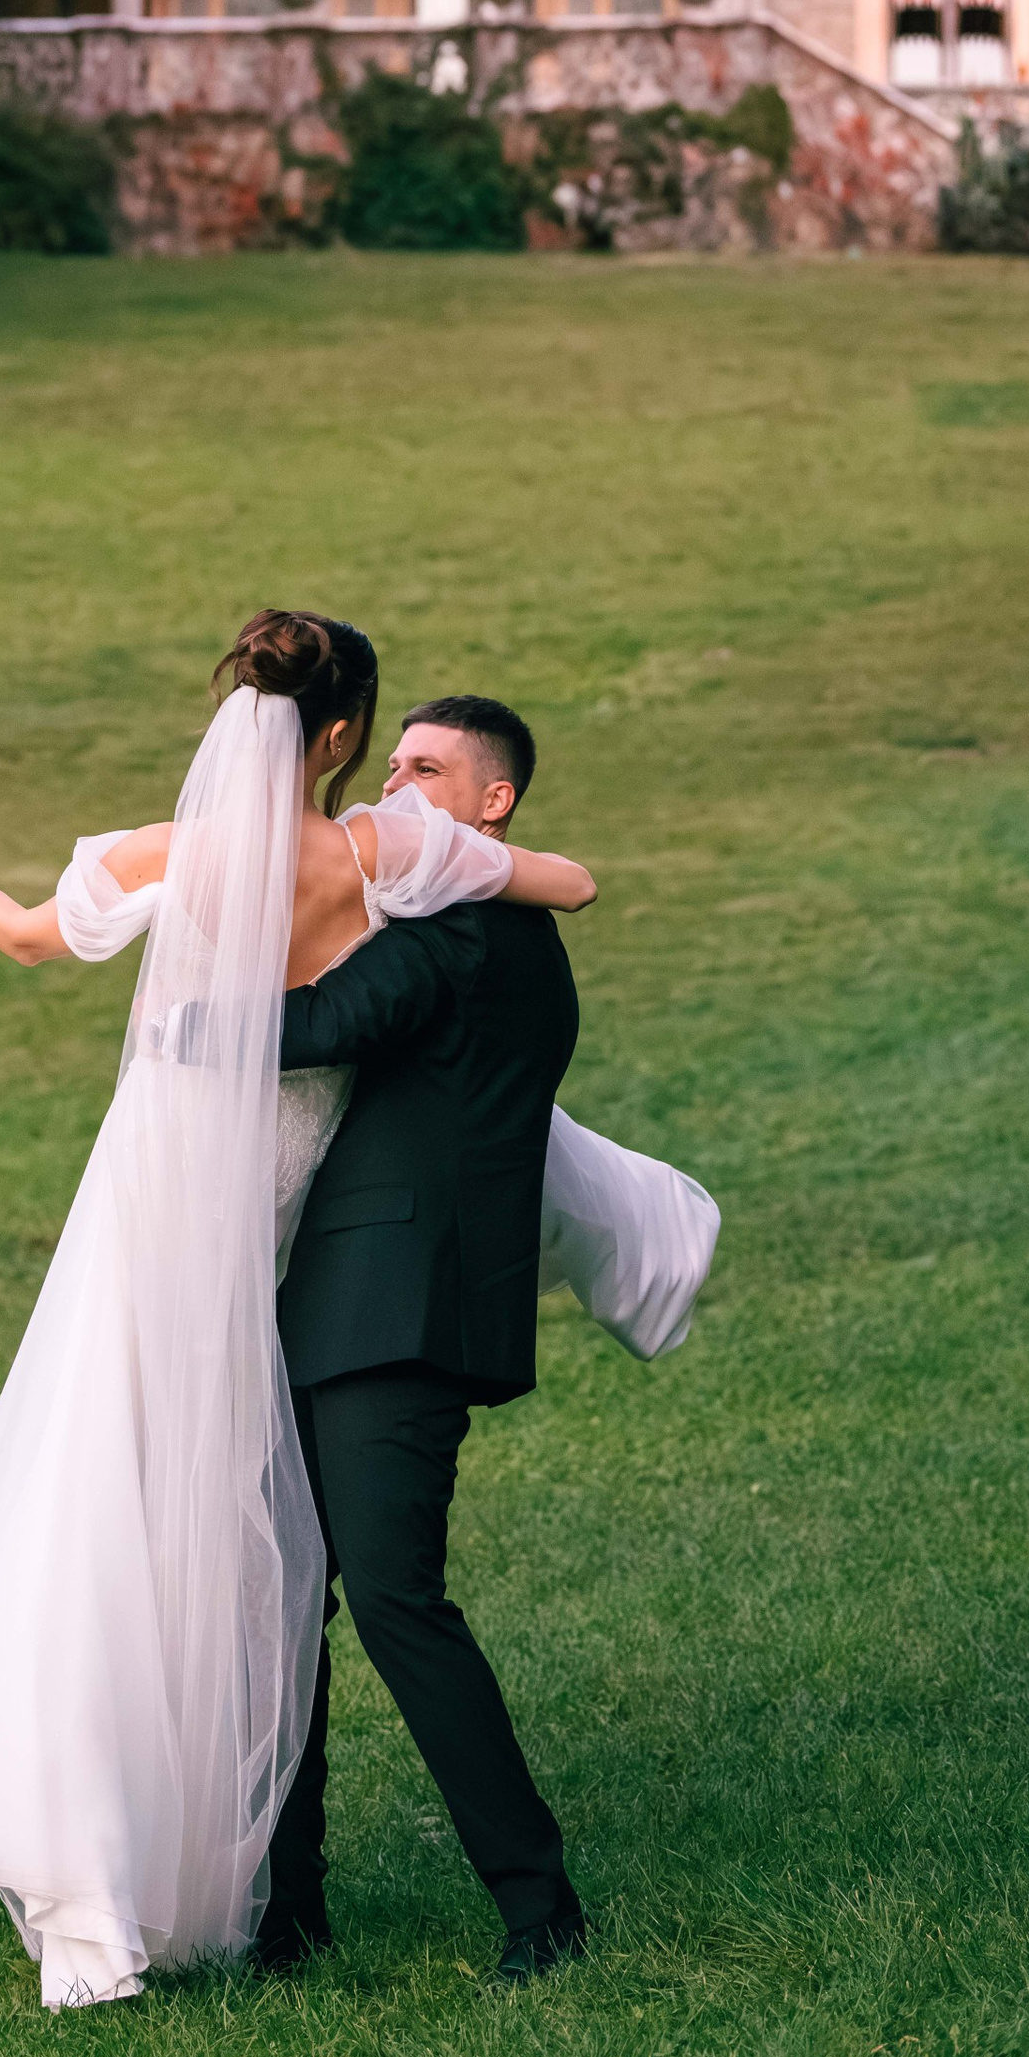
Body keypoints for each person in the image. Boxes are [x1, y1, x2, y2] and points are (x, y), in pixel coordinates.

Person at [0, 613, 597, 2012]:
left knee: (142, 1512)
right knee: (245, 1556)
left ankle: (155, 1855)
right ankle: (256, 1883)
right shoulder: (388, 856)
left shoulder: (171, 851)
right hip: (290, 1217)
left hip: (169, 1197)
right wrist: (466, 839)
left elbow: (19, 935)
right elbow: (573, 879)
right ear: (349, 736)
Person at [259, 694, 592, 1985]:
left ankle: (543, 1910)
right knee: (289, 1611)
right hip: (350, 1309)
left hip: (392, 1315)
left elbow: (311, 1027)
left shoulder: (466, 927)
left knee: (397, 1603)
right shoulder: (478, 926)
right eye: (389, 760)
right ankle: (285, 1916)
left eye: (428, 767)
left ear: (493, 802)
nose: (394, 782)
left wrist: (179, 990)